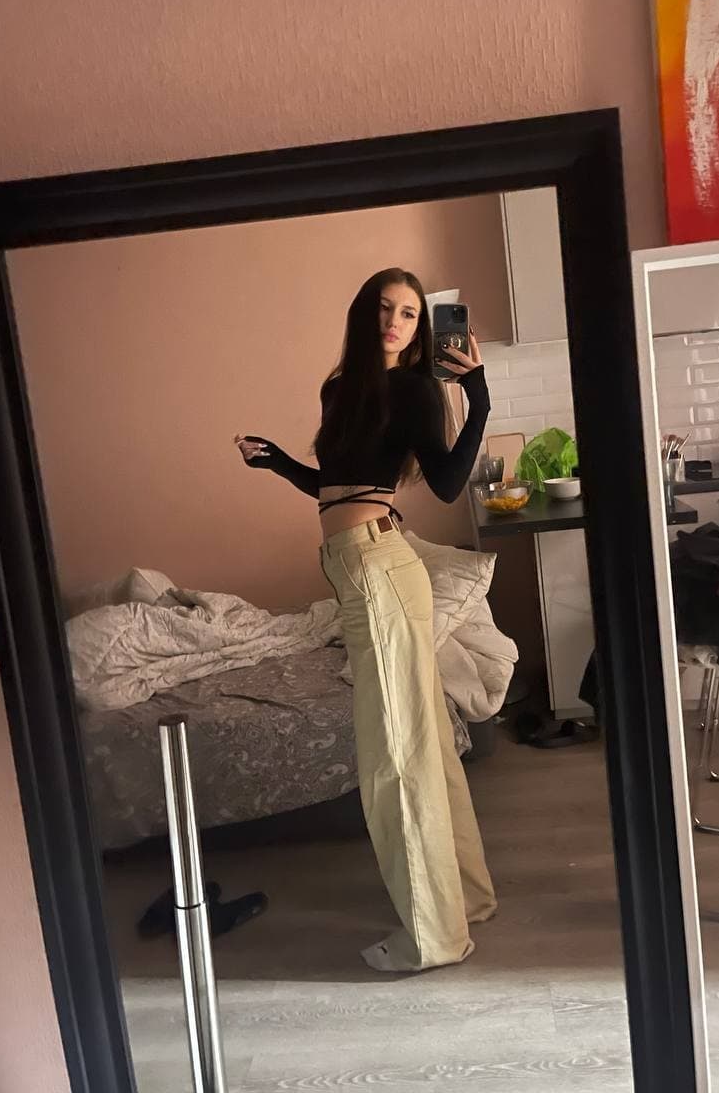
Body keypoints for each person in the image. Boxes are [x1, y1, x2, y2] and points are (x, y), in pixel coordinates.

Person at [234, 267, 496, 971]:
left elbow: (447, 484)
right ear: (363, 313)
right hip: (362, 564)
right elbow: (337, 485)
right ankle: (466, 898)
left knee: (397, 754)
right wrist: (279, 463)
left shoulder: (415, 389)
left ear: (420, 328)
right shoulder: (340, 388)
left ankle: (433, 937)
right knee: (422, 740)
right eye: (385, 308)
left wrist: (477, 396)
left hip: (379, 567)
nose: (396, 323)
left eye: (409, 314)